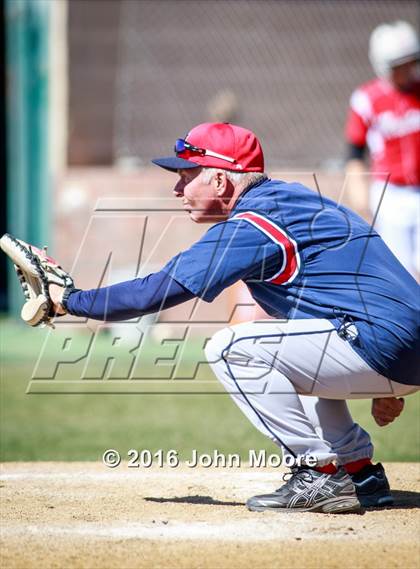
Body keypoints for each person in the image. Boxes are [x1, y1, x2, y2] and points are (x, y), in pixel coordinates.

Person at [50, 122, 419, 513]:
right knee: (288, 348)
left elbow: (154, 292)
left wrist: (70, 301)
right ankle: (360, 473)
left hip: (380, 342)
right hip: (397, 340)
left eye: (186, 176)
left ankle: (320, 475)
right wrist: (390, 374)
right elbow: (377, 284)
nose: (177, 189)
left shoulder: (253, 224)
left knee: (231, 348)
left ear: (222, 182)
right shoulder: (304, 202)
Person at [345, 21, 420, 280]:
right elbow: (354, 153)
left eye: (410, 62)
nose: (406, 70)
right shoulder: (367, 98)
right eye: (399, 65)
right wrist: (361, 204)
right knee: (401, 270)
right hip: (391, 194)